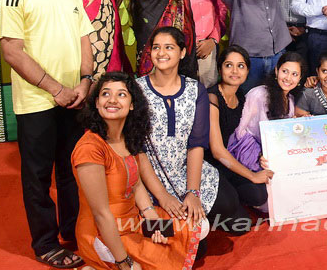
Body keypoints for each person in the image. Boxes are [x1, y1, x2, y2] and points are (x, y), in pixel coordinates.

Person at [0, 0, 94, 268]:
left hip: (75, 98)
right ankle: (46, 244)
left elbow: (85, 40)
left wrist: (85, 82)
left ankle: (74, 231)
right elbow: (12, 51)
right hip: (37, 102)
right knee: (38, 177)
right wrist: (55, 89)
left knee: (73, 170)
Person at [135, 27, 250, 252]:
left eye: (169, 47)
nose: (161, 53)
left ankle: (195, 222)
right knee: (198, 250)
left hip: (185, 170)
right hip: (150, 176)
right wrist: (163, 196)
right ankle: (187, 229)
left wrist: (193, 192)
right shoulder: (137, 90)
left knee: (234, 212)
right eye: (156, 47)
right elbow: (136, 149)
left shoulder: (195, 90)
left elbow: (196, 144)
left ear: (182, 52)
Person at [72, 72, 199, 270]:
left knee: (195, 226)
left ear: (132, 104)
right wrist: (124, 263)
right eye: (106, 94)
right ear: (96, 103)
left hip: (133, 223)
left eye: (121, 94)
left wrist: (152, 220)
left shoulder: (127, 137)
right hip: (103, 234)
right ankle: (101, 264)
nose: (112, 100)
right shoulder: (90, 148)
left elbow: (136, 183)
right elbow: (101, 214)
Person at [205, 45, 274, 210]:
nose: (235, 71)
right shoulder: (211, 97)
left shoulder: (242, 96)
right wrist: (252, 176)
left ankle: (232, 194)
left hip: (231, 159)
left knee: (259, 195)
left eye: (240, 66)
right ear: (220, 69)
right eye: (228, 65)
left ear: (247, 71)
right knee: (231, 205)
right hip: (209, 162)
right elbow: (217, 151)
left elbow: (246, 135)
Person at [227, 52, 306, 179]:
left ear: (300, 79)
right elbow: (240, 131)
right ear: (276, 71)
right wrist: (258, 154)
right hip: (248, 156)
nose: (288, 78)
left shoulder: (291, 101)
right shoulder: (258, 94)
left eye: (294, 74)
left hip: (275, 159)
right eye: (285, 71)